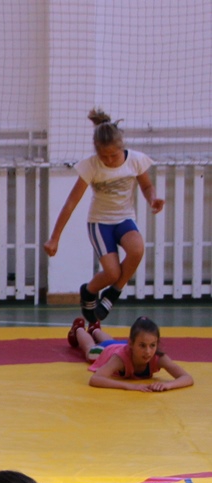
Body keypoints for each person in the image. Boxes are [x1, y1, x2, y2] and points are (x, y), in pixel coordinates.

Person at [43, 109, 164, 323]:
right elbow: (71, 202)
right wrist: (55, 238)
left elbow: (146, 186)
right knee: (111, 272)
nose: (108, 160)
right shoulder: (91, 166)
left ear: (122, 147)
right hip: (100, 223)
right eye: (103, 156)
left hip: (124, 219)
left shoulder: (135, 160)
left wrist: (153, 199)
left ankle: (113, 293)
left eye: (113, 155)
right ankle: (89, 291)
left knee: (137, 250)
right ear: (96, 151)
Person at [66, 316, 194, 392]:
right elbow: (95, 379)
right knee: (90, 350)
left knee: (112, 342)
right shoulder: (120, 358)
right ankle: (79, 330)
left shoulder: (158, 357)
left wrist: (168, 385)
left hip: (119, 345)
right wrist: (129, 386)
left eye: (152, 345)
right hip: (106, 351)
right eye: (143, 346)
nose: (148, 351)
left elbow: (187, 378)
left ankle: (95, 330)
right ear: (131, 343)